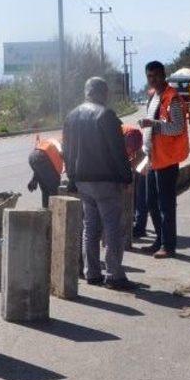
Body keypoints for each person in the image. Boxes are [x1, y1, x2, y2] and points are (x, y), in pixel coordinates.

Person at [62, 77, 137, 290]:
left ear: (86, 92)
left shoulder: (71, 116)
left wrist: (72, 179)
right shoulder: (106, 115)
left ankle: (92, 273)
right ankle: (114, 275)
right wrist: (127, 177)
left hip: (82, 180)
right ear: (103, 93)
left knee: (90, 226)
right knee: (112, 227)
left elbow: (67, 151)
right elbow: (118, 150)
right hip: (105, 181)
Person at [140, 60, 190, 258]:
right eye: (149, 76)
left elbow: (177, 127)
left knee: (166, 206)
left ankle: (168, 246)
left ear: (163, 75)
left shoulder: (173, 98)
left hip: (167, 160)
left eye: (155, 76)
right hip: (153, 159)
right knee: (151, 202)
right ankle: (159, 240)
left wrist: (153, 124)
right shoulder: (153, 96)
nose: (152, 80)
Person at [26, 135, 64, 208]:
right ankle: (54, 211)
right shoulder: (65, 146)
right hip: (44, 158)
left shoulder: (54, 141)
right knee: (54, 188)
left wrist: (35, 179)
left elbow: (39, 155)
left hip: (32, 156)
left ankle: (46, 210)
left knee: (45, 188)